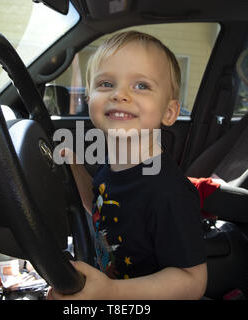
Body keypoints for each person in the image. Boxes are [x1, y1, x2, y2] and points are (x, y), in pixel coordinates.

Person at [48, 31, 207, 300]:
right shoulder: (111, 166)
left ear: (169, 112)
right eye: (107, 83)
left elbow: (193, 281)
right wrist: (74, 169)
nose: (120, 94)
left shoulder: (167, 191)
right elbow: (101, 205)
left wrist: (111, 292)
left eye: (141, 86)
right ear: (89, 99)